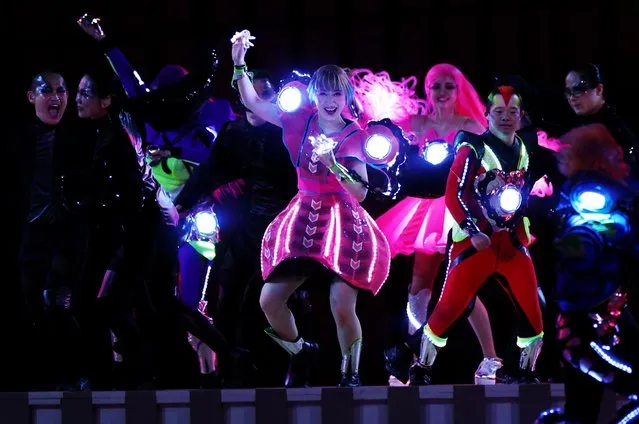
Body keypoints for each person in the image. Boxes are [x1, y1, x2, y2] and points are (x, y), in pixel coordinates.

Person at [231, 30, 397, 387]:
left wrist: (333, 163)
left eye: (336, 92)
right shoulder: (299, 120)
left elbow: (361, 193)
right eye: (323, 92)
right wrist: (239, 62)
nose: (329, 99)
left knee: (341, 303)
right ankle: (301, 351)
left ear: (346, 96)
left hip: (342, 222)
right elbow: (254, 103)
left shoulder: (355, 135)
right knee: (269, 300)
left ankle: (350, 374)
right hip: (305, 218)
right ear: (314, 95)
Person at [409, 84, 545, 385]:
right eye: (499, 111)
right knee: (448, 309)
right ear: (487, 115)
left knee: (534, 314)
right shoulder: (474, 148)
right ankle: (421, 368)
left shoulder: (526, 146)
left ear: (521, 116)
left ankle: (524, 371)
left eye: (512, 112)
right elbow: (453, 195)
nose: (506, 117)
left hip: (511, 244)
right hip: (476, 244)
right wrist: (472, 231)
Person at [372, 64, 500, 384]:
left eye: (448, 87)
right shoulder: (415, 123)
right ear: (427, 91)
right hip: (423, 211)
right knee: (419, 289)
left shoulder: (471, 126)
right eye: (435, 87)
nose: (442, 93)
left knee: (463, 287)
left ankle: (489, 359)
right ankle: (413, 362)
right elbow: (377, 137)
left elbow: (492, 164)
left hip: (459, 211)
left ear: (458, 91)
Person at [175, 69, 301, 387]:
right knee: (227, 292)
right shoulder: (234, 132)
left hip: (289, 228)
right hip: (250, 226)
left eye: (265, 95)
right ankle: (232, 365)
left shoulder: (291, 131)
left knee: (274, 300)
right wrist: (181, 204)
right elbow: (210, 171)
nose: (257, 102)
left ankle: (290, 367)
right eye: (251, 96)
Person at [535, 124, 639, 424]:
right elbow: (586, 243)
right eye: (617, 157)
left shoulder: (608, 199)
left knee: (581, 412)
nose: (624, 164)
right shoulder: (589, 198)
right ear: (598, 162)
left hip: (608, 324)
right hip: (584, 331)